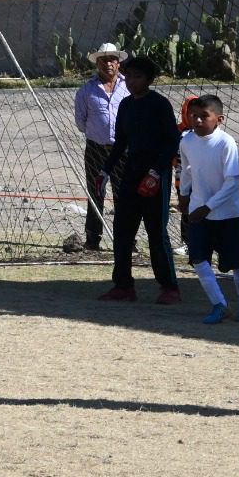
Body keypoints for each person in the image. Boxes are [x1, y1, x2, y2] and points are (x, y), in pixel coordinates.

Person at [99, 57, 181, 304]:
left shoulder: (159, 104)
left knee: (156, 231)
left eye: (138, 77)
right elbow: (121, 142)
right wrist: (105, 170)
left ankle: (170, 288)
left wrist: (157, 172)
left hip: (156, 174)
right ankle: (123, 286)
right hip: (132, 171)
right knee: (122, 229)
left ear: (149, 79)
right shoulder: (125, 105)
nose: (132, 82)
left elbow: (172, 140)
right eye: (130, 76)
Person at [177, 95, 239, 325]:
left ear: (218, 119)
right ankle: (219, 304)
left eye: (204, 116)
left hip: (227, 215)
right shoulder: (186, 141)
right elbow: (186, 169)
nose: (198, 120)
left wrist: (207, 207)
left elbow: (233, 181)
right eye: (194, 116)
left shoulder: (226, 143)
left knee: (236, 263)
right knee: (199, 260)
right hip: (199, 214)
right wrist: (183, 195)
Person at [73, 42, 129, 251]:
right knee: (95, 193)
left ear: (119, 63)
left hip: (123, 150)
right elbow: (81, 122)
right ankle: (93, 239)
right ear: (97, 63)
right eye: (103, 60)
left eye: (112, 59)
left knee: (123, 195)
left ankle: (126, 241)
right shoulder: (86, 90)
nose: (108, 64)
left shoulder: (128, 87)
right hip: (96, 149)